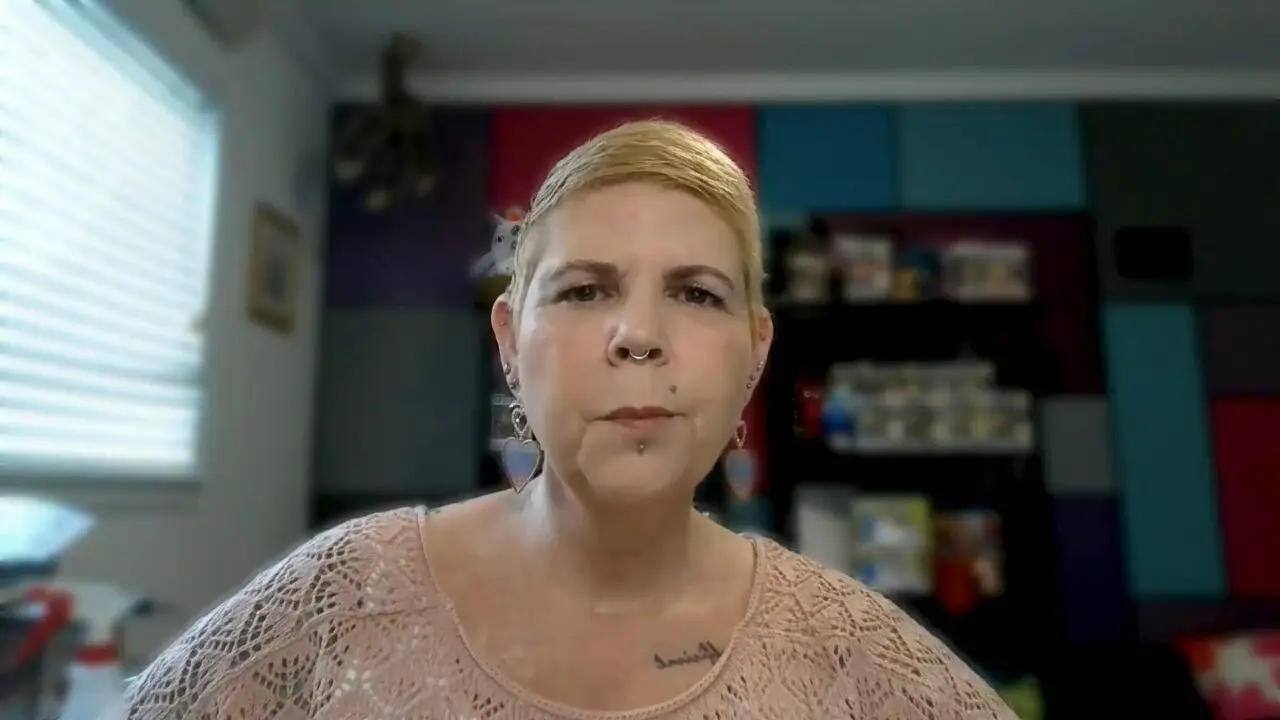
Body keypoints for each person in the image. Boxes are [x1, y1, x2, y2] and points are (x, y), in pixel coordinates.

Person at [124, 120, 1017, 719]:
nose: (639, 335)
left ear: (753, 352)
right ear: (511, 342)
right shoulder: (343, 596)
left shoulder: (851, 652)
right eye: (586, 290)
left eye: (696, 294)